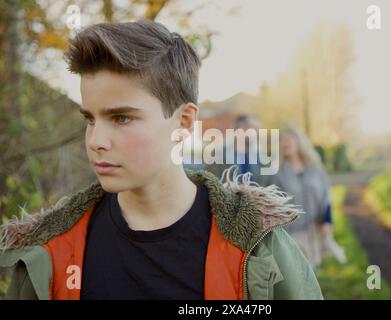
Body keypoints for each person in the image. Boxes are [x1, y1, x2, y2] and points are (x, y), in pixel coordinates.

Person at [0, 21, 322, 300]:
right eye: (90, 119)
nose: (96, 141)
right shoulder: (46, 254)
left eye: (121, 118)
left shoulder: (259, 250)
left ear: (183, 122)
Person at [267, 127, 346, 269]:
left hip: (314, 231)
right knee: (295, 276)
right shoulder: (276, 172)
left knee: (312, 272)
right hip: (290, 234)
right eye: (282, 141)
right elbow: (271, 203)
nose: (285, 143)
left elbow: (326, 196)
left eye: (288, 139)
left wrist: (327, 220)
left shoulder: (315, 167)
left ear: (299, 142)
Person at [206, 114, 265, 184]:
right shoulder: (219, 154)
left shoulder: (258, 157)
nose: (257, 133)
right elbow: (211, 183)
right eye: (254, 129)